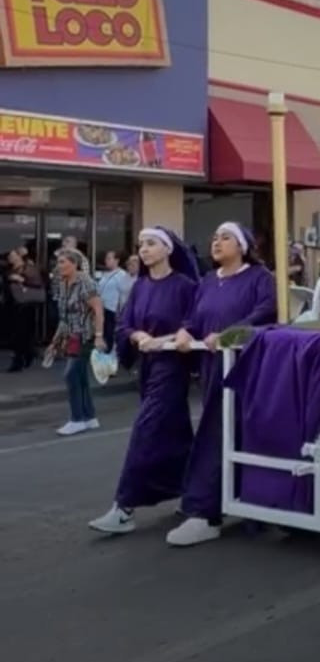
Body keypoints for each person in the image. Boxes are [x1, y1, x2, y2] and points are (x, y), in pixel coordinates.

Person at [166, 222, 276, 547]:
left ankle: (206, 510)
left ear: (242, 246)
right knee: (218, 430)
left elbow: (266, 312)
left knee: (230, 432)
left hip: (248, 368)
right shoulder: (208, 281)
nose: (217, 242)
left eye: (225, 237)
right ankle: (214, 500)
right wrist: (185, 331)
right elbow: (194, 317)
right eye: (214, 237)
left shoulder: (259, 278)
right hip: (213, 367)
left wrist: (231, 333)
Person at [88, 228, 199, 535]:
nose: (143, 250)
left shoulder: (185, 286)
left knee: (146, 431)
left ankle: (124, 507)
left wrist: (163, 339)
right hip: (147, 366)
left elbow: (194, 324)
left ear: (167, 249)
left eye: (151, 244)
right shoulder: (141, 286)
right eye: (141, 245)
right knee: (175, 432)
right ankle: (192, 491)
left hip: (172, 366)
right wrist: (138, 336)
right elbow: (125, 324)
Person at [50, 249, 105, 436]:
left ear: (74, 264)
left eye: (63, 262)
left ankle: (77, 419)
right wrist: (55, 341)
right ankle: (89, 417)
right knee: (80, 376)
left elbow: (98, 310)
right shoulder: (62, 283)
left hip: (85, 335)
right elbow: (64, 317)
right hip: (71, 336)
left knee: (71, 375)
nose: (59, 266)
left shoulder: (85, 282)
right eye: (58, 262)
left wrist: (99, 335)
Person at [5, 248, 44, 372]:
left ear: (19, 256)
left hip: (26, 305)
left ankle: (19, 360)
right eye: (9, 256)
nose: (10, 258)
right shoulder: (10, 268)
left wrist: (22, 280)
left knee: (21, 333)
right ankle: (28, 353)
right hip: (13, 304)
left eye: (13, 255)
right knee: (17, 334)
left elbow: (38, 284)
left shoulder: (28, 268)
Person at [96, 250, 134, 354]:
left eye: (109, 258)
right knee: (104, 332)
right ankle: (104, 353)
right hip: (103, 308)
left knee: (111, 333)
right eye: (106, 258)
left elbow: (125, 293)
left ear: (117, 260)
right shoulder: (105, 274)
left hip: (113, 309)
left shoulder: (122, 275)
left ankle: (112, 354)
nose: (106, 260)